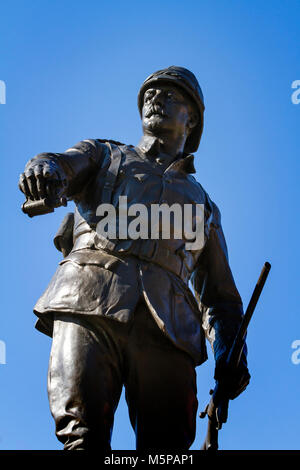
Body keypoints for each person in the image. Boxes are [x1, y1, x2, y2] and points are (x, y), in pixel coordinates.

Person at [19, 66, 250, 451]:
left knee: (167, 451)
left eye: (169, 95)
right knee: (82, 436)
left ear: (190, 118)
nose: (154, 99)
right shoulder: (104, 155)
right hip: (88, 302)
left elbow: (221, 297)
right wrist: (46, 168)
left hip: (170, 330)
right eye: (149, 95)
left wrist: (231, 350)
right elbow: (62, 163)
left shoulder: (204, 207)